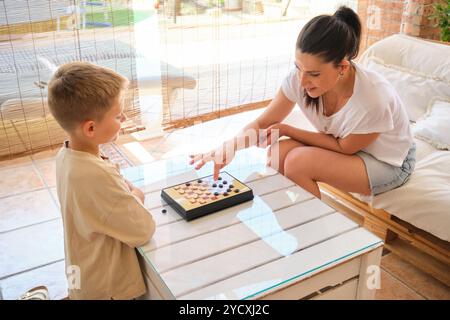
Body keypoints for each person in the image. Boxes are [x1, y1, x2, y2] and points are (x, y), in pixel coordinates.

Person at [190, 6, 415, 199]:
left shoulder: (373, 99)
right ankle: (285, 226)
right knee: (278, 153)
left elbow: (343, 148)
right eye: (299, 68)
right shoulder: (300, 79)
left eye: (314, 74)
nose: (302, 80)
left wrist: (288, 129)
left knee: (299, 162)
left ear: (343, 67)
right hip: (348, 147)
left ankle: (316, 240)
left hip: (388, 161)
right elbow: (263, 122)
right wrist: (227, 148)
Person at [48, 61, 155, 300]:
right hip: (108, 289)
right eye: (118, 115)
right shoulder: (96, 174)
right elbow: (143, 230)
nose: (124, 117)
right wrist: (136, 194)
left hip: (84, 278)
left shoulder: (65, 156)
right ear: (90, 128)